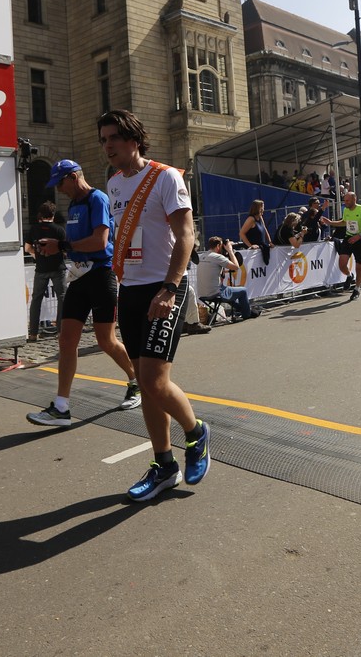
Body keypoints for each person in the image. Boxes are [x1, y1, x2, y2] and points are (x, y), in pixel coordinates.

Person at [99, 110, 208, 502]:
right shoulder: (113, 183)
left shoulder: (166, 177)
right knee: (145, 386)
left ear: (134, 139)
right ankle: (164, 465)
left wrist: (170, 287)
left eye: (114, 137)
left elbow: (186, 235)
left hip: (164, 289)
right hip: (130, 289)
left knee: (154, 381)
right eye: (103, 139)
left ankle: (196, 434)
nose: (108, 146)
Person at [27, 160, 140, 426]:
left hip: (101, 275)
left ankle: (136, 381)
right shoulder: (74, 204)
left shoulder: (97, 199)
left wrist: (61, 246)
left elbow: (100, 241)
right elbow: (74, 242)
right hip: (79, 277)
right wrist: (55, 246)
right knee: (66, 341)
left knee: (106, 341)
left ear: (74, 177)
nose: (59, 189)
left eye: (61, 183)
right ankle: (61, 407)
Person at [24, 201, 66, 343]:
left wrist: (36, 255)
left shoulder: (34, 229)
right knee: (62, 298)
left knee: (36, 300)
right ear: (53, 214)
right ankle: (60, 331)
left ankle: (33, 333)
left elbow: (27, 248)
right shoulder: (59, 230)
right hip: (57, 268)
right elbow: (65, 249)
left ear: (40, 215)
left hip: (41, 269)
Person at [321, 191, 361, 300]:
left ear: (354, 200)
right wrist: (331, 222)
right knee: (342, 264)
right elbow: (344, 222)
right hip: (349, 238)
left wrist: (359, 236)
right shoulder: (346, 210)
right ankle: (350, 275)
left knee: (359, 267)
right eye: (344, 200)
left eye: (347, 200)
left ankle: (357, 289)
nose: (345, 203)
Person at [197, 236, 254, 322]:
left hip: (202, 294)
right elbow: (236, 267)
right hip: (215, 293)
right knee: (243, 290)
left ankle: (242, 309)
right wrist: (230, 250)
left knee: (228, 292)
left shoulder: (202, 256)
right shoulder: (217, 257)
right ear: (218, 246)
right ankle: (247, 314)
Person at [241, 199, 273, 264]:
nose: (263, 210)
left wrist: (270, 242)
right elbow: (241, 233)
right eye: (262, 208)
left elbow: (265, 229)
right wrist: (250, 246)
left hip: (261, 248)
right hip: (253, 252)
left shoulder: (260, 217)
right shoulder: (251, 219)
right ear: (257, 208)